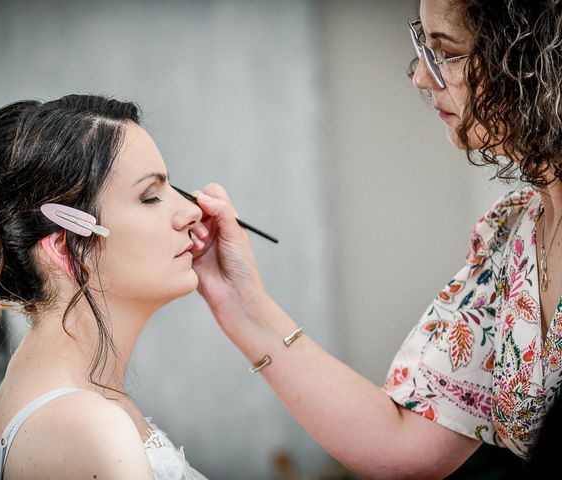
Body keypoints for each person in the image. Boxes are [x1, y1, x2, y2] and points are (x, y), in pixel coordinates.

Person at [186, 0, 562, 477]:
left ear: (529, 61)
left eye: (445, 52)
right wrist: (238, 298)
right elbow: (404, 442)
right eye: (423, 48)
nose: (422, 78)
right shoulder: (510, 236)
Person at [0, 95, 208, 479]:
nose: (192, 211)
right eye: (150, 196)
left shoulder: (59, 390)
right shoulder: (88, 429)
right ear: (67, 248)